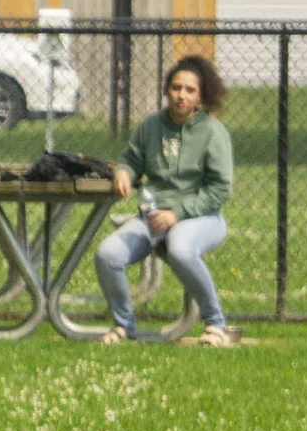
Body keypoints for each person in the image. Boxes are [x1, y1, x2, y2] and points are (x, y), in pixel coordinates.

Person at [96, 54, 237, 346]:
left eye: (190, 90)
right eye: (176, 88)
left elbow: (220, 189)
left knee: (181, 251)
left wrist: (177, 214)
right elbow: (131, 160)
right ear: (166, 90)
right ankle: (124, 328)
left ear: (201, 97)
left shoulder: (213, 132)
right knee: (107, 254)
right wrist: (123, 172)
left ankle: (216, 325)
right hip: (153, 218)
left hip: (202, 217)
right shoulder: (151, 126)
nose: (181, 95)